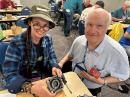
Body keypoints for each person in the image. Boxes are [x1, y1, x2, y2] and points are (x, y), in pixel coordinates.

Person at [59, 8, 130, 96]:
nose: (92, 30)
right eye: (89, 24)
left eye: (99, 26)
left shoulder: (117, 52)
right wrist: (61, 63)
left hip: (91, 88)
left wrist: (104, 81)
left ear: (107, 27)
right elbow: (70, 55)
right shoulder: (79, 40)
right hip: (71, 80)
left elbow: (123, 75)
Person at [2, 5, 62, 97]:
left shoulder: (48, 39)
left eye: (45, 26)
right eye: (37, 24)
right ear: (30, 22)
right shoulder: (16, 43)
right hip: (23, 84)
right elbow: (10, 76)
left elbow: (52, 57)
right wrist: (31, 87)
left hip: (42, 80)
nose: (41, 29)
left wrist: (54, 66)